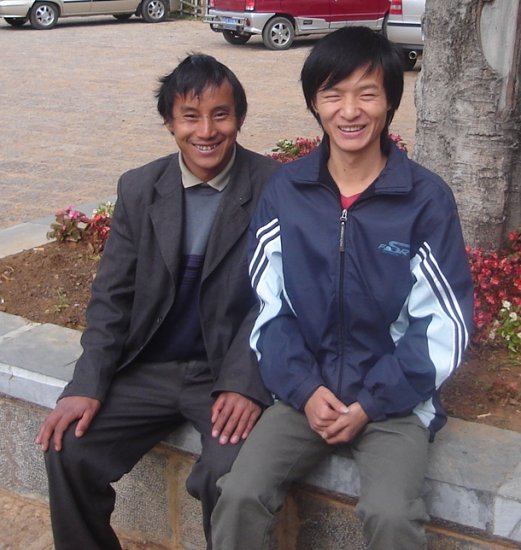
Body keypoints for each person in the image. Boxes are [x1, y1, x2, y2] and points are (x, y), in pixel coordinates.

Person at [211, 27, 474, 550]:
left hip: (394, 403)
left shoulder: (425, 200)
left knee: (391, 515)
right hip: (304, 394)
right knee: (239, 493)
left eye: (367, 93)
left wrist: (373, 403)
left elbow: (445, 325)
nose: (349, 111)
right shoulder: (287, 192)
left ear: (390, 102)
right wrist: (305, 391)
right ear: (315, 102)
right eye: (334, 94)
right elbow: (269, 310)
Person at [35, 53, 279, 550]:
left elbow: (278, 299)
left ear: (239, 119)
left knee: (227, 476)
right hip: (148, 368)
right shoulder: (140, 188)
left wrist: (244, 383)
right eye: (190, 116)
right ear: (170, 122)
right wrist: (87, 383)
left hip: (222, 376)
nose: (206, 131)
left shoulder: (274, 188)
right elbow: (112, 296)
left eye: (221, 114)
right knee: (69, 449)